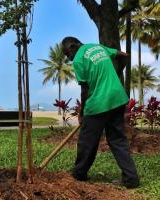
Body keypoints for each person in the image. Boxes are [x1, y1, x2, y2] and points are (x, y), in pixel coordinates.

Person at [61, 36, 140, 189]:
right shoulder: (99, 48)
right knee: (118, 140)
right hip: (117, 98)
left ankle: (78, 174)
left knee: (87, 141)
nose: (68, 58)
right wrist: (117, 73)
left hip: (98, 103)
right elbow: (123, 55)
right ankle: (131, 179)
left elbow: (85, 90)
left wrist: (82, 112)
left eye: (67, 54)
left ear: (72, 47)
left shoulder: (78, 59)